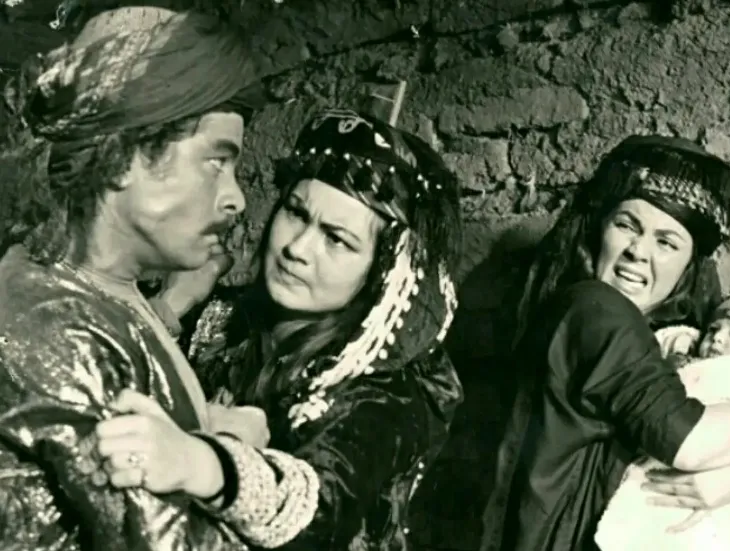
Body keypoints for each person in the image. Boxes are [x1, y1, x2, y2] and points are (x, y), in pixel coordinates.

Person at [94, 108, 465, 549]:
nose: (297, 248)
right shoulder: (222, 318)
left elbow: (324, 506)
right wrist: (173, 306)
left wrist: (203, 463)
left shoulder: (385, 393)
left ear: (382, 272)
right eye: (296, 213)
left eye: (336, 239)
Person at [0, 6, 296, 550]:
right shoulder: (53, 324)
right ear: (123, 159)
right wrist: (239, 460)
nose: (235, 197)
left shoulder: (98, 289)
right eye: (216, 161)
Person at [480, 135, 730, 551]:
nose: (638, 251)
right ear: (598, 229)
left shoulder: (655, 338)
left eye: (666, 242)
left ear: (688, 267)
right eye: (626, 225)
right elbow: (688, 441)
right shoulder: (597, 309)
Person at [596, 288, 730, 551]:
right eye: (713, 329)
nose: (718, 338)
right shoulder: (685, 365)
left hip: (710, 507)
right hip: (656, 482)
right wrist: (680, 342)